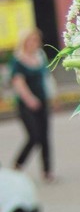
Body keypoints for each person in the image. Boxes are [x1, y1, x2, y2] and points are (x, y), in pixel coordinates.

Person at [9, 28, 55, 182]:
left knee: (45, 137)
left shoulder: (40, 57)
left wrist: (52, 96)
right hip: (26, 104)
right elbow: (18, 82)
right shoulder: (18, 60)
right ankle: (18, 164)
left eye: (36, 40)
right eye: (31, 40)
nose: (34, 43)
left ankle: (47, 171)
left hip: (42, 100)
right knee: (34, 136)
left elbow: (47, 78)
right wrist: (29, 99)